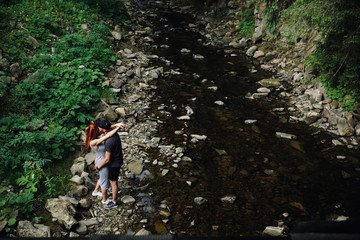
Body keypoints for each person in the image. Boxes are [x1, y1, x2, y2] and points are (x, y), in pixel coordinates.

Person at [84, 121, 124, 206]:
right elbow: (108, 134)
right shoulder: (94, 142)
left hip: (100, 159)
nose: (99, 129)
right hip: (102, 162)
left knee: (102, 178)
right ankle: (105, 200)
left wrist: (116, 125)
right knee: (104, 181)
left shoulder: (96, 137)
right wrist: (117, 127)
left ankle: (95, 191)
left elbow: (107, 130)